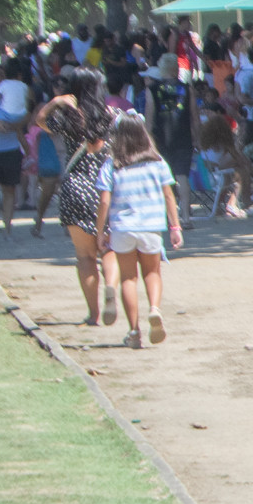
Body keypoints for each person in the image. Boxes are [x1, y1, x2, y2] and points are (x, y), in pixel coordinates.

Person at [94, 113, 186, 350]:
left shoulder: (112, 164)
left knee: (128, 278)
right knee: (153, 273)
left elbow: (104, 202)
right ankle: (154, 309)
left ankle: (134, 331)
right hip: (151, 227)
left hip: (122, 228)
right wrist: (175, 227)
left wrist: (100, 231)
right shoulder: (157, 162)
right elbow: (169, 196)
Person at [32, 70, 116, 325]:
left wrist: (56, 101)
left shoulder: (68, 116)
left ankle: (94, 314)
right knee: (108, 248)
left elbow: (40, 121)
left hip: (75, 187)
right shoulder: (111, 116)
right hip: (105, 189)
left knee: (85, 256)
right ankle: (111, 290)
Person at [144, 54, 199, 228]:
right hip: (183, 136)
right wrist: (197, 137)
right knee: (182, 175)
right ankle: (186, 217)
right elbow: (194, 116)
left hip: (160, 138)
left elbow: (149, 117)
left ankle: (168, 217)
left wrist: (147, 139)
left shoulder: (152, 89)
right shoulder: (186, 88)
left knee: (163, 178)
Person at [0, 56, 27, 232]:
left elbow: (25, 118)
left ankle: (7, 228)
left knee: (9, 190)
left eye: (0, 72)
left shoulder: (15, 96)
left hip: (10, 149)